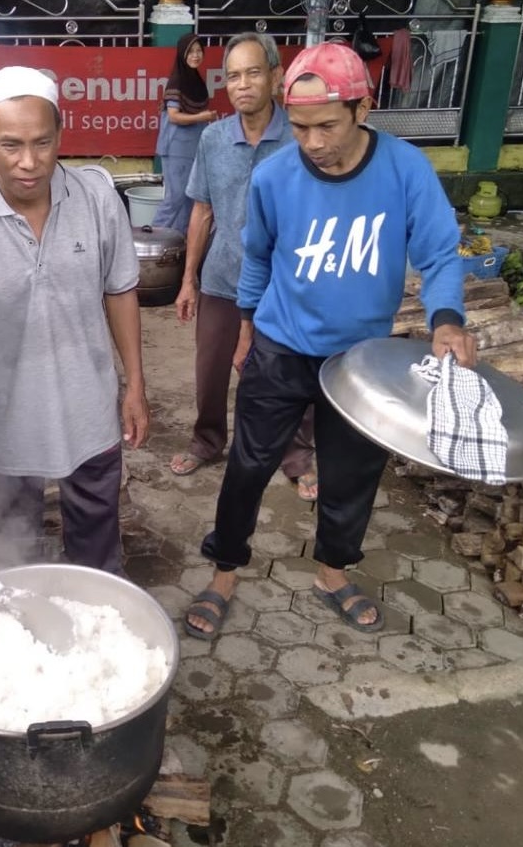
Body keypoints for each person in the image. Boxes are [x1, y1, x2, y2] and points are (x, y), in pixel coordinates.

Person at [184, 43, 476, 640]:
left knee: (351, 473)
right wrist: (246, 328)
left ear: (363, 108)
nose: (312, 142)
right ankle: (224, 572)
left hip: (361, 360)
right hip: (281, 347)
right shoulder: (274, 178)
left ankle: (332, 571)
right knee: (248, 464)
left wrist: (447, 319)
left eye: (327, 126)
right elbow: (257, 259)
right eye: (299, 127)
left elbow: (440, 252)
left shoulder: (405, 169)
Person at [0, 66, 150, 576]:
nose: (29, 163)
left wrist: (135, 385)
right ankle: (27, 627)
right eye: (10, 145)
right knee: (16, 542)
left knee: (97, 538)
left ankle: (98, 619)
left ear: (61, 135)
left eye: (43, 143)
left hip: (90, 406)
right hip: (8, 415)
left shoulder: (97, 197)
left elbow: (120, 291)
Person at [169, 32, 318, 504]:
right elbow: (201, 211)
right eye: (233, 76)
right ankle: (207, 441)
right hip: (222, 278)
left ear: (276, 77)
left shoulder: (298, 140)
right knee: (210, 370)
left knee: (285, 373)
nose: (243, 84)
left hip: (283, 287)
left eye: (254, 72)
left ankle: (295, 456)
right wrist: (188, 279)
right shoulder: (213, 138)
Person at [151, 33, 217, 233]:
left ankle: (179, 245)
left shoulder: (197, 81)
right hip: (176, 147)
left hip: (194, 147)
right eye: (191, 51)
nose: (196, 55)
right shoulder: (177, 81)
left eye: (199, 51)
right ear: (182, 54)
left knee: (190, 198)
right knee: (175, 197)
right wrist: (202, 117)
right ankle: (151, 240)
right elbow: (173, 116)